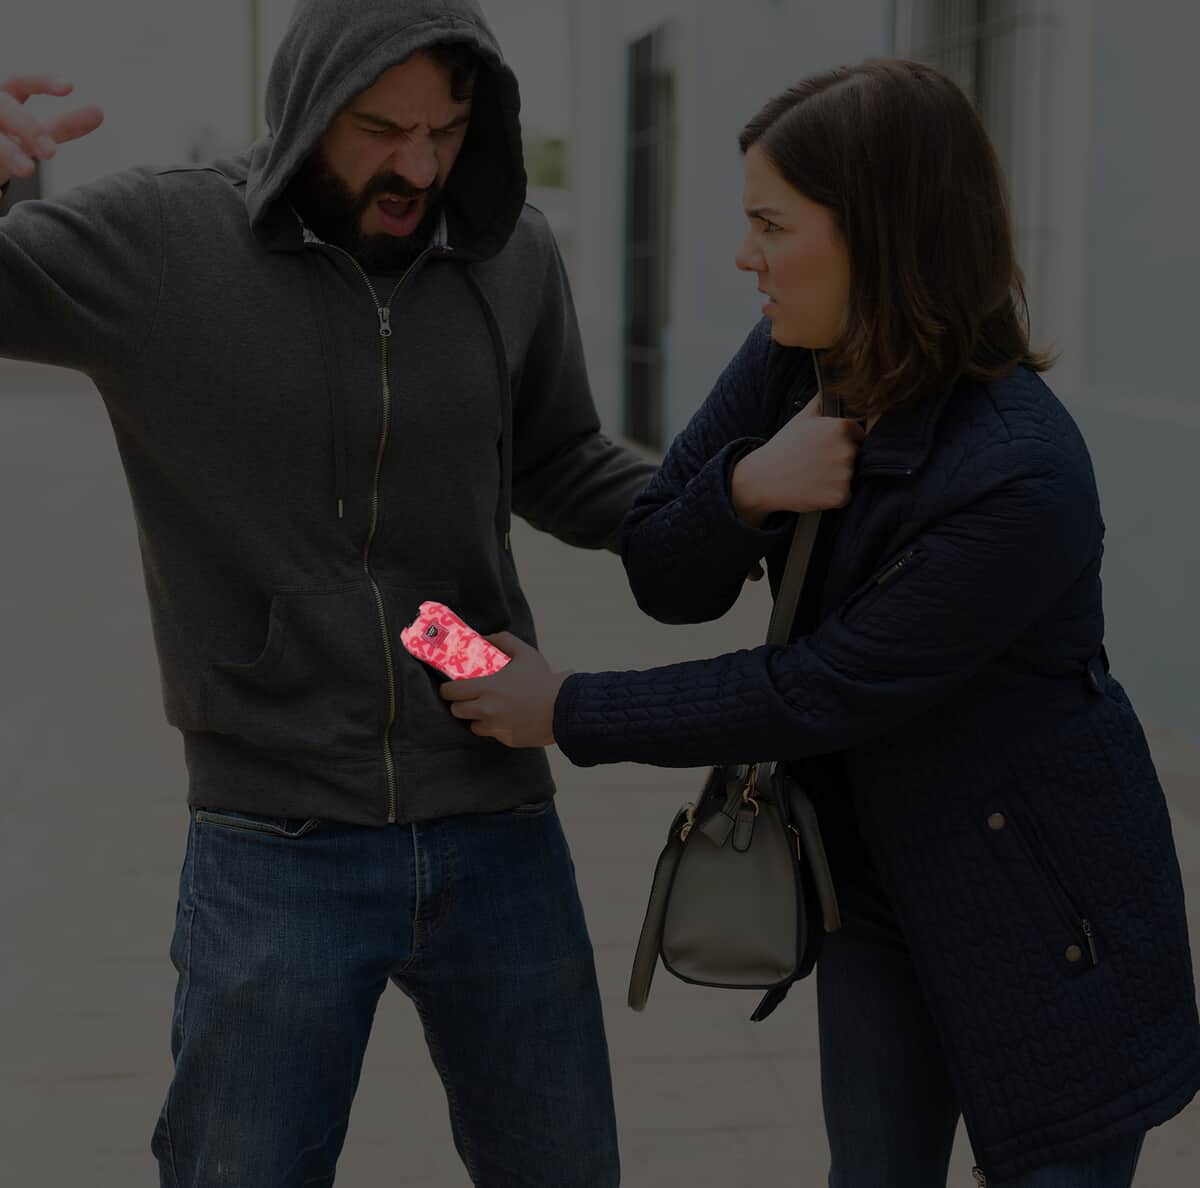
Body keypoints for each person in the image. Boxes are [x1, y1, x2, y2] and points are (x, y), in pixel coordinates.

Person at [2, 1, 851, 1182]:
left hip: (493, 808)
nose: (418, 164)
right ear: (305, 109)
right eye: (380, 128)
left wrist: (732, 500)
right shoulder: (162, 246)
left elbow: (558, 459)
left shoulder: (511, 252)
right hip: (274, 828)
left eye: (447, 129)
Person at [441, 59, 1200, 1187]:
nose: (744, 257)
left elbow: (817, 689)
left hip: (1047, 909)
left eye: (770, 225)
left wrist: (566, 708)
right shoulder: (798, 357)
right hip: (875, 882)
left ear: (882, 236)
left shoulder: (1022, 473)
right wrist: (750, 484)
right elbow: (662, 564)